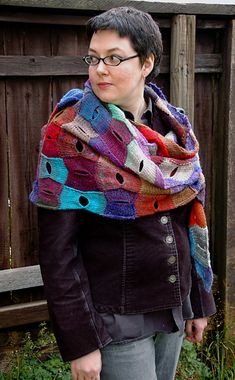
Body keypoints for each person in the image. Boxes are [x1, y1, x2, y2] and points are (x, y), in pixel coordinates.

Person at [30, 6, 216, 380]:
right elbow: (57, 253)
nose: (100, 69)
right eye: (94, 58)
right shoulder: (69, 136)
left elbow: (189, 221)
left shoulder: (174, 130)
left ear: (146, 63)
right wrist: (81, 343)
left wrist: (197, 302)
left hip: (173, 307)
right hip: (115, 318)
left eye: (114, 58)